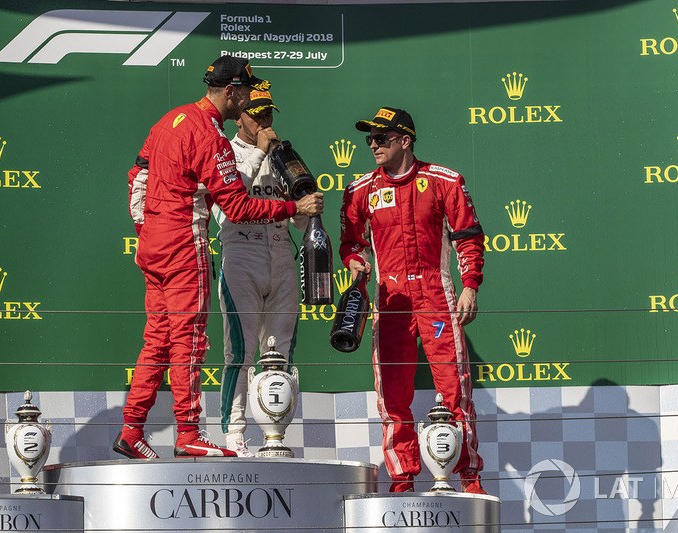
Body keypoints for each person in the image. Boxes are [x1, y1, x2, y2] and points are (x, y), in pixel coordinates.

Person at [116, 56, 324, 459]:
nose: (248, 101)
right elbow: (239, 209)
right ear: (230, 92)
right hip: (182, 243)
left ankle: (131, 429)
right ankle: (188, 433)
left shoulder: (169, 119)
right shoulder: (211, 137)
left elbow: (137, 175)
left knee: (156, 340)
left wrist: (145, 228)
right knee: (189, 340)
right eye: (245, 92)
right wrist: (291, 210)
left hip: (154, 244)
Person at [339, 107, 486, 493]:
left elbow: (468, 235)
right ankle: (402, 479)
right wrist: (357, 264)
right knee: (392, 393)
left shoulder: (444, 180)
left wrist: (470, 284)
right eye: (370, 138)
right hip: (390, 301)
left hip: (436, 295)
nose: (373, 144)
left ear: (405, 140)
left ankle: (469, 477)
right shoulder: (360, 189)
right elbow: (351, 243)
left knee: (455, 389)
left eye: (382, 138)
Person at [211, 87, 305, 456]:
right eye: (256, 115)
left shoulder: (286, 156)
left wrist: (304, 203)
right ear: (239, 117)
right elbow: (228, 204)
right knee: (241, 351)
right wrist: (262, 152)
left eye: (269, 115)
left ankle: (275, 432)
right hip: (242, 253)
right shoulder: (224, 153)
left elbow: (297, 219)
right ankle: (234, 433)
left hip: (282, 254)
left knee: (280, 352)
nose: (264, 122)